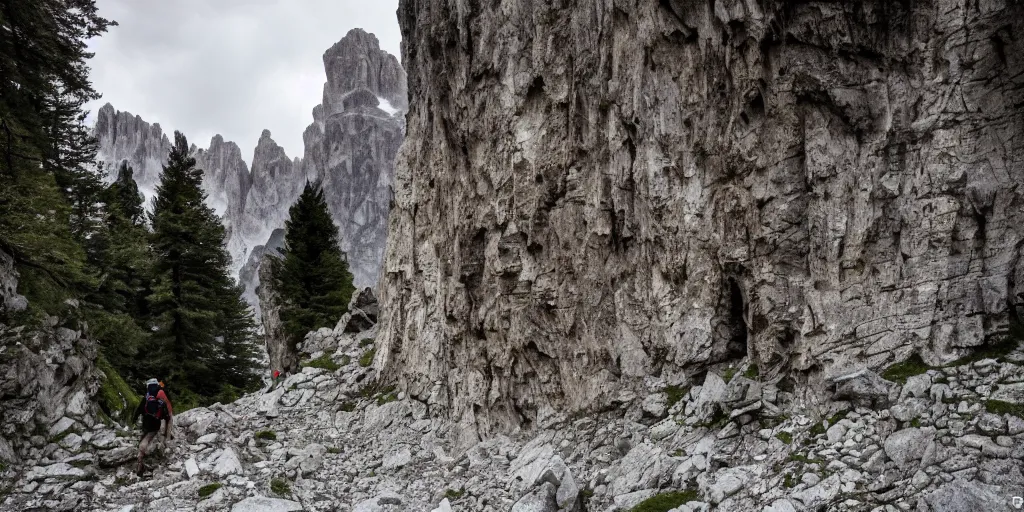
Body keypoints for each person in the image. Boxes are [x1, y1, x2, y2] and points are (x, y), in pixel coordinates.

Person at [132, 378, 173, 476]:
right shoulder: (160, 398)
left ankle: (140, 464)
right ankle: (165, 445)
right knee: (147, 441)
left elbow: (138, 410)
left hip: (146, 425)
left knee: (142, 444)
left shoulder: (146, 398)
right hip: (155, 426)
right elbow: (166, 415)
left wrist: (134, 420)